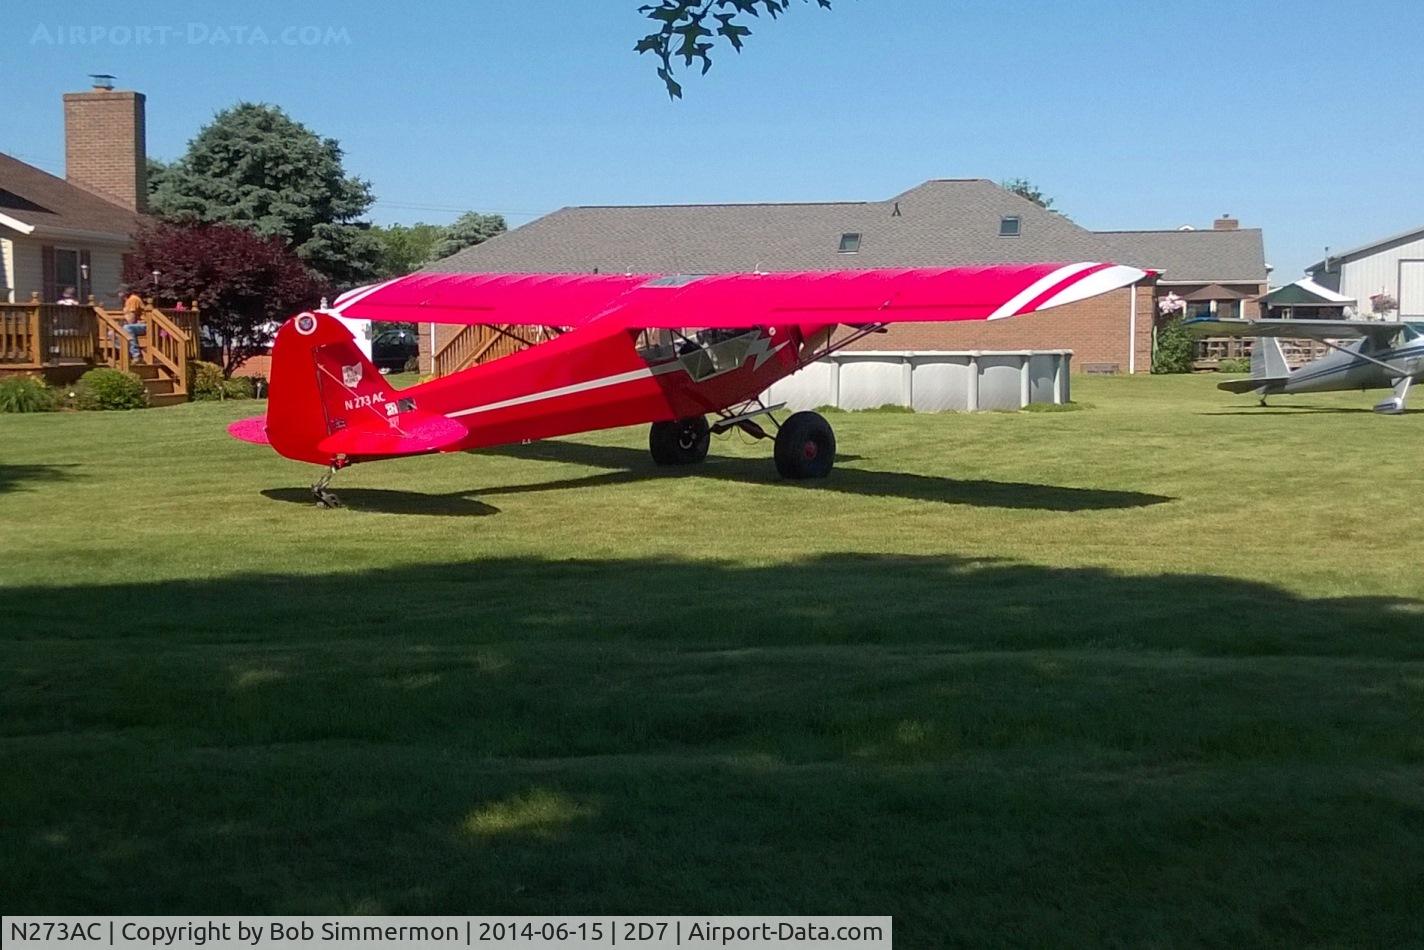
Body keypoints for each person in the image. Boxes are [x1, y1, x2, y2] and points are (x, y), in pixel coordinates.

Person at [119, 284, 147, 362]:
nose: (118, 294)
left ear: (124, 292)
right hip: (135, 326)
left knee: (127, 328)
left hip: (143, 325)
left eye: (120, 292)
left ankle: (136, 355)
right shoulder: (127, 301)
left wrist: (124, 316)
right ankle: (126, 354)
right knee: (112, 333)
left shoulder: (133, 299)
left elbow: (131, 319)